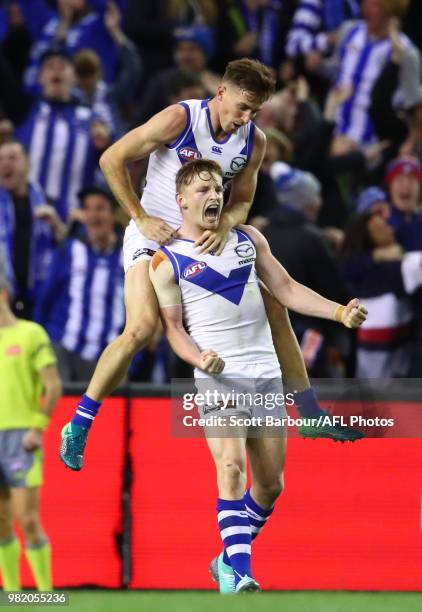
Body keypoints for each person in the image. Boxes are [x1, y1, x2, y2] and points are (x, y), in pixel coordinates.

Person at [59, 58, 354, 473]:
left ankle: (310, 413)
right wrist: (140, 217)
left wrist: (228, 225)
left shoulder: (255, 140)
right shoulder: (180, 119)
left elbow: (244, 200)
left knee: (275, 306)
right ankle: (79, 423)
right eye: (243, 107)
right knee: (142, 328)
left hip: (203, 238)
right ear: (222, 92)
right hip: (155, 235)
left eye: (255, 111)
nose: (246, 118)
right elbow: (112, 158)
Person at [149, 159, 367, 593]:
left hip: (266, 374)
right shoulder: (166, 260)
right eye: (202, 190)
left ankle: (227, 559)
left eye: (217, 188)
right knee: (230, 468)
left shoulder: (248, 239)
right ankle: (242, 576)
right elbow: (172, 329)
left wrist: (339, 311)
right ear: (181, 201)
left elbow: (286, 289)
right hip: (219, 379)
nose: (213, 196)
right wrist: (199, 359)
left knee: (269, 487)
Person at [0, 268, 62, 591]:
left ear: (3, 295)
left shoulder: (30, 334)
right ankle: (10, 596)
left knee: (27, 519)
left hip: (21, 437)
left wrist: (37, 428)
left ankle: (45, 593)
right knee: (1, 523)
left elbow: (52, 386)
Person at [34, 187, 125, 382]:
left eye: (100, 208)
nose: (92, 215)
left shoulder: (129, 256)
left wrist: (130, 361)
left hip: (107, 357)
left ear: (114, 214)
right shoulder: (70, 250)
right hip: (63, 348)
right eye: (87, 208)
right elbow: (45, 299)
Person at [0, 140, 65, 319]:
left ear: (28, 164)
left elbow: (65, 248)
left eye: (12, 158)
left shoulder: (49, 201)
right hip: (3, 299)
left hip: (40, 300)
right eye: (1, 159)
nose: (5, 163)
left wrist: (56, 223)